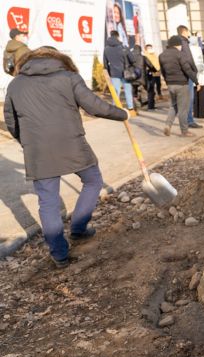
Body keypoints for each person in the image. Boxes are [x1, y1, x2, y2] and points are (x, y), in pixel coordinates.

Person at [3, 47, 128, 268]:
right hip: (72, 144)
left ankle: (59, 255)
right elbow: (95, 107)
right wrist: (122, 114)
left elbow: (11, 122)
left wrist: (28, 143)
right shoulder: (69, 77)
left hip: (38, 150)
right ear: (58, 59)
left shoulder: (16, 84)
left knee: (48, 201)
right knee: (93, 180)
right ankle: (78, 229)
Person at [160, 35, 199, 137]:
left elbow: (163, 72)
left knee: (173, 106)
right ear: (177, 45)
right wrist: (196, 82)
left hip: (170, 84)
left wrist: (167, 81)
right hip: (182, 84)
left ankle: (168, 125)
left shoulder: (162, 55)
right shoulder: (180, 54)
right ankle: (184, 131)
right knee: (183, 109)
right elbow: (187, 69)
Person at [103, 30, 137, 117]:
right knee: (128, 91)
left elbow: (105, 64)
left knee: (116, 91)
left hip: (114, 73)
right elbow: (133, 59)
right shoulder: (123, 47)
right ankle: (131, 109)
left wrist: (109, 72)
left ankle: (115, 110)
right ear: (118, 37)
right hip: (126, 73)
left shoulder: (106, 49)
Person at [177, 25, 201, 128]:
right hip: (187, 73)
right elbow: (189, 59)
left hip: (180, 74)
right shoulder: (184, 43)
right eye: (188, 32)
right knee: (189, 98)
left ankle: (185, 120)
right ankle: (189, 121)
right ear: (184, 32)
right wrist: (194, 70)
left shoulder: (177, 43)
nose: (189, 34)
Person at [143, 44, 161, 109]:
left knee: (158, 85)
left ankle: (153, 102)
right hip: (150, 73)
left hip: (157, 73)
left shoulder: (155, 55)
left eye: (151, 48)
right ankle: (150, 105)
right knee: (151, 89)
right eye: (148, 48)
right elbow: (149, 65)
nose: (150, 49)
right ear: (146, 49)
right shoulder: (145, 56)